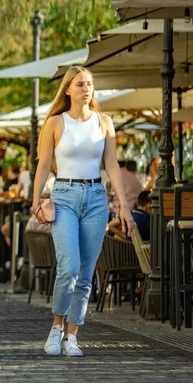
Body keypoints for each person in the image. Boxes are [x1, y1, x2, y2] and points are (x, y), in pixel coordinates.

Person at [32, 65, 133, 358]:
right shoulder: (55, 122)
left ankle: (72, 336)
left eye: (89, 83)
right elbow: (42, 164)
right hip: (63, 196)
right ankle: (56, 327)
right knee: (70, 266)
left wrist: (124, 205)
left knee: (87, 273)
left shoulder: (104, 122)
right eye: (79, 84)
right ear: (68, 89)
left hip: (97, 198)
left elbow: (111, 164)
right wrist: (35, 199)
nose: (86, 88)